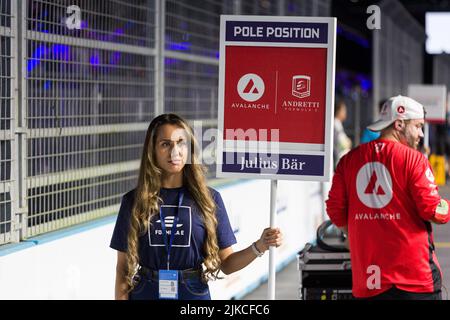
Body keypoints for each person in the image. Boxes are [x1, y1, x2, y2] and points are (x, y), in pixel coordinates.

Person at [110, 113, 283, 300]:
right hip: (146, 291)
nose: (174, 152)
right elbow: (123, 268)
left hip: (192, 292)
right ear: (152, 150)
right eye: (165, 144)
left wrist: (260, 246)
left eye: (181, 142)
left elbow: (227, 264)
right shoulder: (133, 201)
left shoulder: (209, 199)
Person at [326, 95, 450, 300]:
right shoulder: (414, 159)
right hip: (413, 279)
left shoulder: (349, 161)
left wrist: (356, 235)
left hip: (368, 279)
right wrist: (445, 204)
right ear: (399, 124)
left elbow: (335, 210)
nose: (420, 134)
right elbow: (434, 211)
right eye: (418, 126)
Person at [333, 100, 352, 169]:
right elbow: (341, 143)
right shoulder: (335, 124)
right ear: (338, 111)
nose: (345, 113)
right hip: (338, 161)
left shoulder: (338, 124)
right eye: (343, 110)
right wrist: (348, 142)